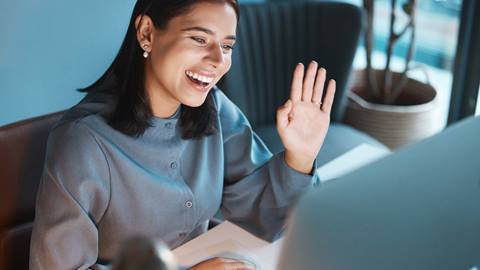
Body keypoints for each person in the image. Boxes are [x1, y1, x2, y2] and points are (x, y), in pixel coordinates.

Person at [29, 0, 336, 269]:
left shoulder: (214, 108)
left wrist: (300, 156)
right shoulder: (83, 144)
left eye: (227, 46)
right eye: (200, 39)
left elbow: (269, 215)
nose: (218, 60)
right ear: (147, 33)